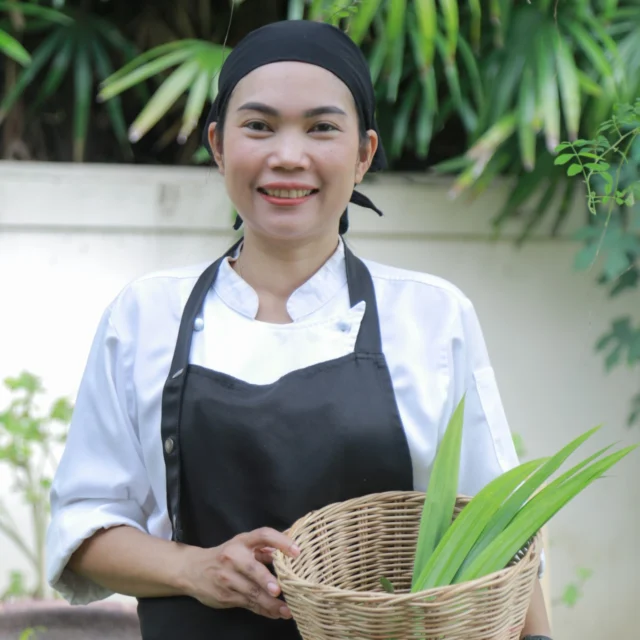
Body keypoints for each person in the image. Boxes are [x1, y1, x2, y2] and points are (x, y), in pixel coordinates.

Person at [46, 19, 552, 640]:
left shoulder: (429, 315)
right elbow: (83, 528)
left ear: (363, 154)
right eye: (258, 126)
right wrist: (194, 567)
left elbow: (501, 537)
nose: (288, 155)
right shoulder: (145, 315)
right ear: (218, 145)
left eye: (321, 128)